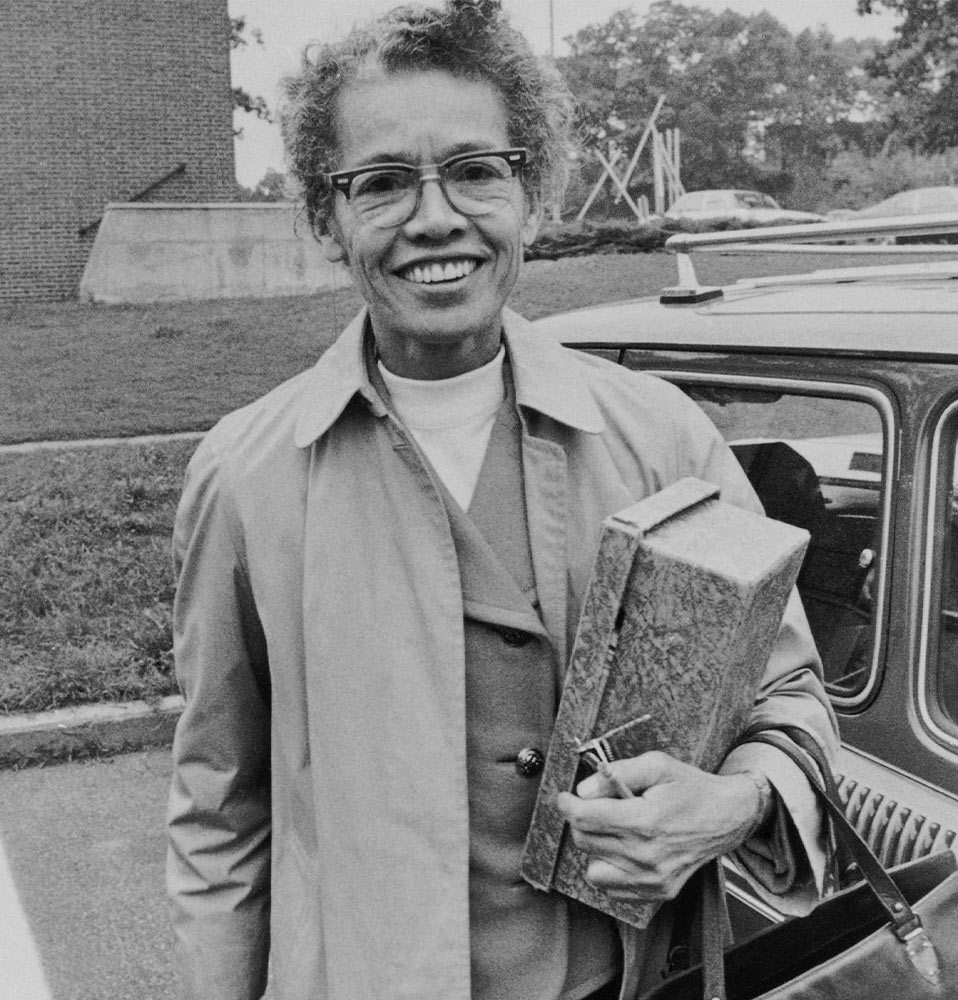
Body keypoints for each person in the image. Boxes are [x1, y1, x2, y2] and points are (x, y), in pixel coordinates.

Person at [165, 2, 839, 999]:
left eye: (476, 170)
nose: (436, 217)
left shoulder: (661, 438)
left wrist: (730, 802)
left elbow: (790, 699)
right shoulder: (244, 475)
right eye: (383, 183)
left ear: (532, 193)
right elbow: (220, 805)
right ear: (325, 215)